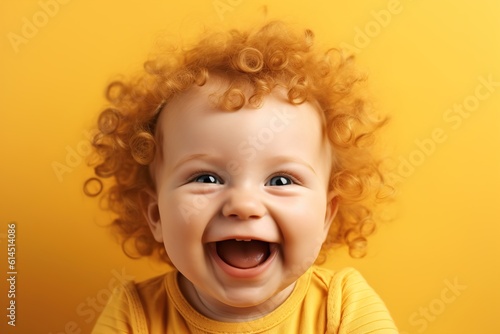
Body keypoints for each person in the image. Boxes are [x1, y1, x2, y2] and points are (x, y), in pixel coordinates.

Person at [86, 20, 398, 333]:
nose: (243, 204)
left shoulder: (343, 307)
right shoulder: (134, 314)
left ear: (326, 216)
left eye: (280, 181)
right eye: (207, 179)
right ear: (155, 215)